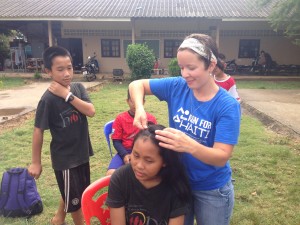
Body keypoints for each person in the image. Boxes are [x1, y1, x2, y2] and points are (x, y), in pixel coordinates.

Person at [128, 33, 241, 225]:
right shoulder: (177, 86)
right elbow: (136, 84)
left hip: (212, 189)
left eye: (191, 67)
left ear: (211, 65)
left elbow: (222, 156)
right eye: (181, 67)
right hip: (179, 182)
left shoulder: (227, 105)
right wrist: (139, 108)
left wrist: (189, 145)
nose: (184, 74)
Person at [28, 46, 95, 225]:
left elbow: (91, 111)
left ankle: (58, 219)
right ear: (48, 71)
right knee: (76, 202)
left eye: (70, 67)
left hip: (81, 153)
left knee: (75, 191)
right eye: (60, 69)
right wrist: (36, 162)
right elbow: (38, 130)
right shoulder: (48, 100)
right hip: (65, 159)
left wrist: (67, 95)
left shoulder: (78, 88)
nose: (67, 73)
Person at [106, 124, 191, 225]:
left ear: (165, 161)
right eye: (136, 155)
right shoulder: (120, 178)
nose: (139, 165)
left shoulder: (176, 186)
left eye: (149, 161)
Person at [106, 90, 157, 176]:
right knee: (110, 174)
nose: (134, 104)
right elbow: (116, 141)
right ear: (127, 101)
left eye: (138, 101)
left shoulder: (150, 118)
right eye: (132, 101)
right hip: (125, 150)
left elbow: (154, 139)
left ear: (143, 102)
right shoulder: (120, 118)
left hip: (144, 151)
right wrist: (124, 155)